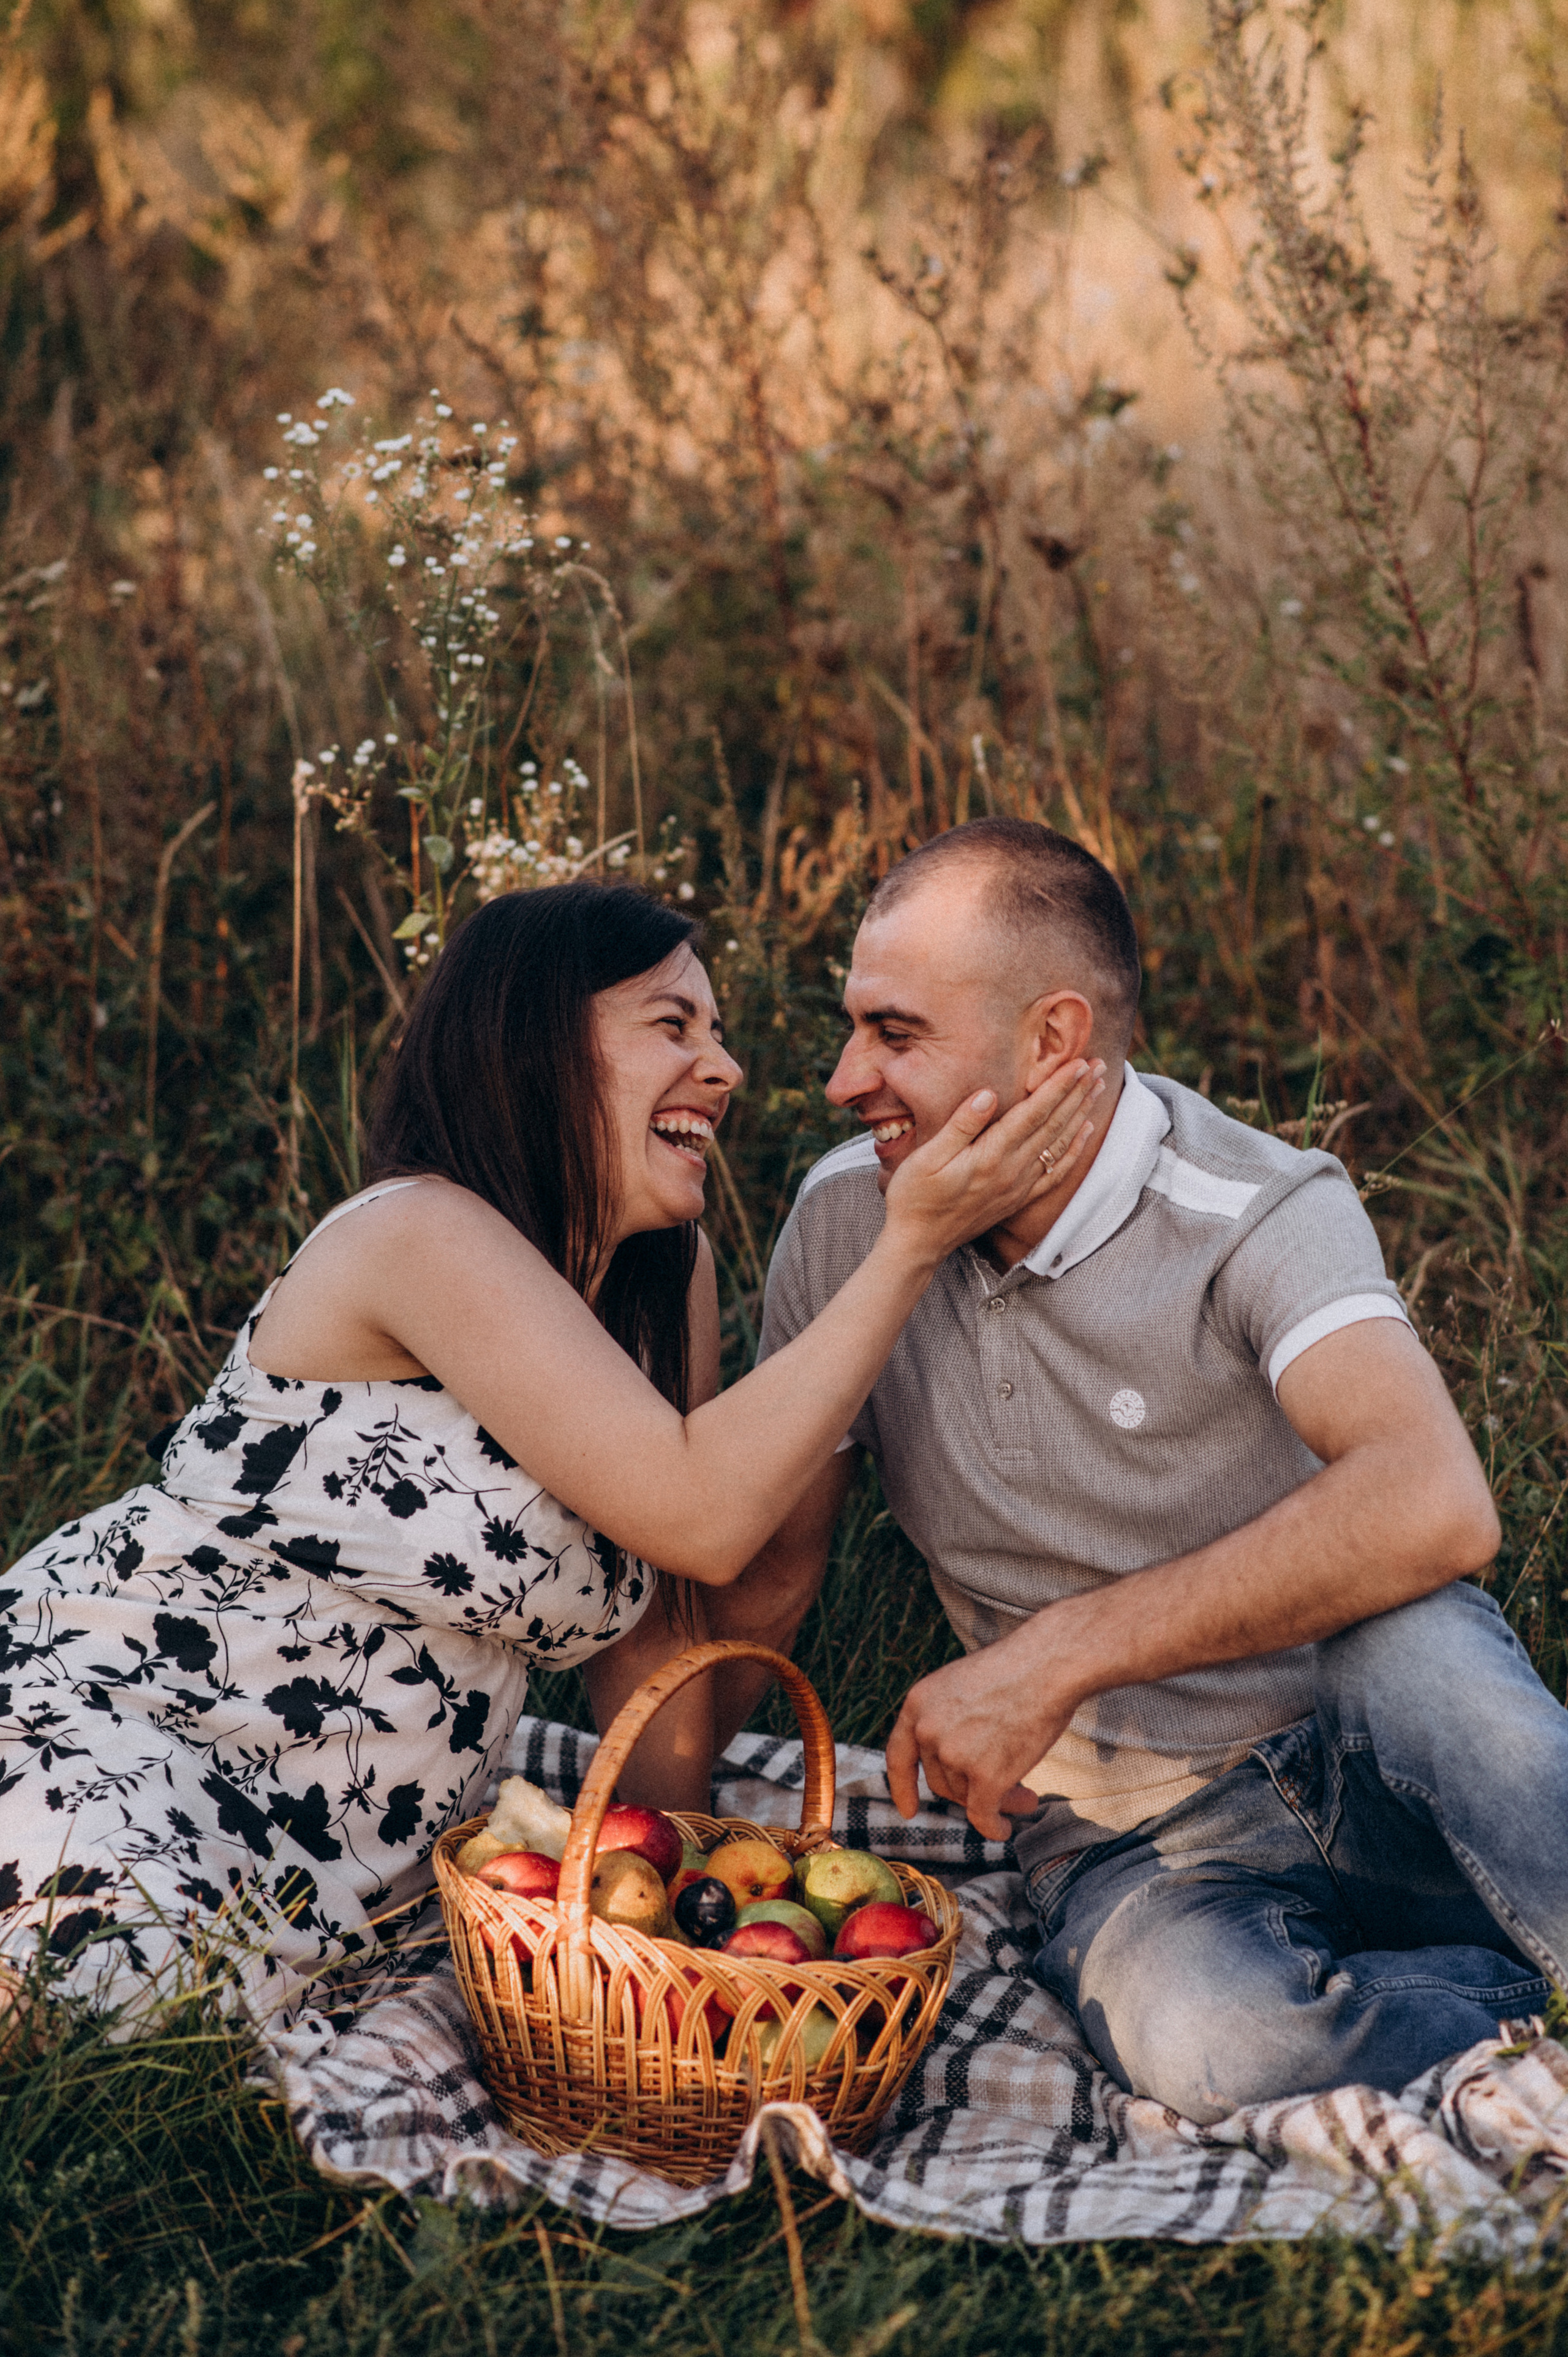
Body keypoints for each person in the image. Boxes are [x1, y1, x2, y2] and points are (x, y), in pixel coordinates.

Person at [0, 879, 1099, 2033]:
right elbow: (703, 1513)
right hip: (124, 1719)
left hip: (346, 1855)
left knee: (204, 2007)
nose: (723, 1069)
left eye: (717, 1034)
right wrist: (910, 1239)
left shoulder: (664, 1281)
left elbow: (664, 1625)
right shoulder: (418, 1232)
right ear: (531, 1047)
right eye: (673, 1026)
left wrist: (670, 1905)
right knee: (114, 1991)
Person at [710, 816, 1567, 2124]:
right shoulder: (844, 1222)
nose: (841, 1079)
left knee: (1458, 1690)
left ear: (1051, 1039)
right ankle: (1507, 2004)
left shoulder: (1252, 1205)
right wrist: (652, 1861)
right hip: (1132, 1840)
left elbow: (1433, 1499)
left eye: (894, 1034)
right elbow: (771, 1570)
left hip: (1365, 1728)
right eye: (852, 1029)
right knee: (1214, 2047)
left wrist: (1047, 1659)